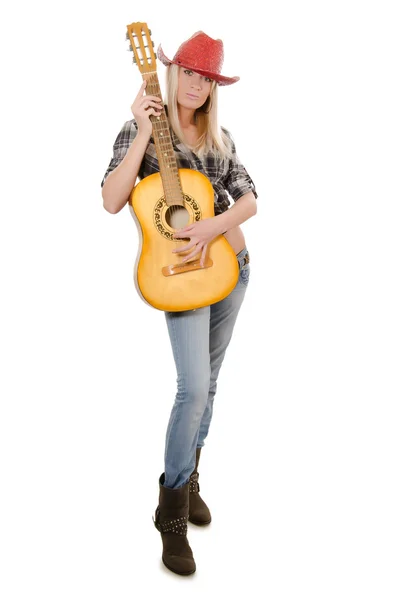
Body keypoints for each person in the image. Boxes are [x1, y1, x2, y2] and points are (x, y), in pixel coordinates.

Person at [101, 30, 258, 576]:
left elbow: (250, 200)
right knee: (191, 388)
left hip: (232, 270)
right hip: (180, 278)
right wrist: (145, 131)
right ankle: (170, 512)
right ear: (170, 73)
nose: (195, 84)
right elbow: (112, 199)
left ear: (215, 87)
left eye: (206, 77)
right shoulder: (139, 129)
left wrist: (213, 224)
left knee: (209, 385)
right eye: (188, 72)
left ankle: (191, 477)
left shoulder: (220, 138)